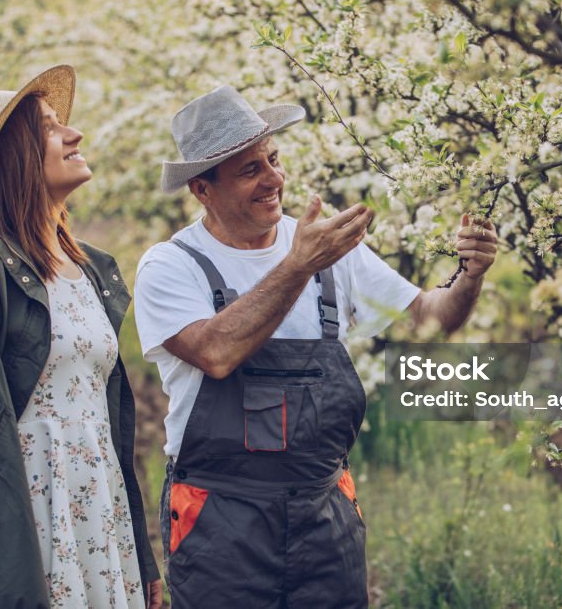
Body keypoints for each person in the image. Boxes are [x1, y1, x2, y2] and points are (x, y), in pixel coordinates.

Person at [133, 85, 498, 608]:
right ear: (202, 189)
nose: (274, 179)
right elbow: (215, 353)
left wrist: (469, 275)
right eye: (249, 170)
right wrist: (300, 264)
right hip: (220, 519)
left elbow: (432, 321)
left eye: (273, 159)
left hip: (325, 515)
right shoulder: (171, 265)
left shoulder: (326, 248)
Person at [0, 65, 162, 608]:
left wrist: (141, 556)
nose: (74, 134)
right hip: (26, 503)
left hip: (99, 503)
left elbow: (108, 423)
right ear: (13, 156)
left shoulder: (92, 268)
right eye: (50, 128)